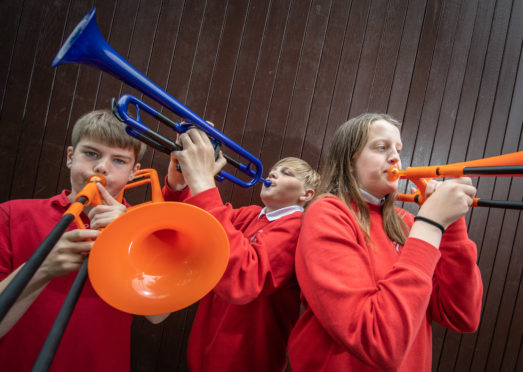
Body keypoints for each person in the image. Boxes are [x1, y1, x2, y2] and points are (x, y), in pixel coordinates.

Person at [288, 113, 483, 371]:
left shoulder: (408, 223)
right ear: (348, 160)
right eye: (381, 147)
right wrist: (431, 224)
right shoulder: (327, 213)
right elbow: (377, 339)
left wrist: (452, 224)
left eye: (398, 149)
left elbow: (462, 315)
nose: (395, 157)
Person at [153, 128, 320, 372]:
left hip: (247, 361)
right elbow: (192, 223)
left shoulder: (299, 228)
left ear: (307, 194)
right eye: (275, 169)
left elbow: (244, 276)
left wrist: (203, 182)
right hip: (204, 351)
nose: (273, 172)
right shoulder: (251, 215)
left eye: (287, 173)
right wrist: (180, 183)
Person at [0, 109, 146, 371]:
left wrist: (126, 237)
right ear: (70, 157)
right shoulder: (11, 214)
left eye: (119, 161)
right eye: (91, 154)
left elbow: (158, 315)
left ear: (134, 173)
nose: (102, 166)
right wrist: (43, 268)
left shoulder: (143, 228)